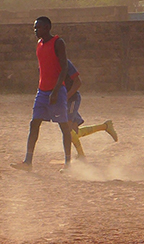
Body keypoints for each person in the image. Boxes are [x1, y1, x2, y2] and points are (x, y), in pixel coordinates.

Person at [13, 16, 73, 170]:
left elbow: (64, 68)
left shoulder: (58, 43)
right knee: (34, 123)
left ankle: (68, 163)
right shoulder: (39, 44)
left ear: (47, 28)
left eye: (38, 27)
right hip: (42, 91)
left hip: (57, 92)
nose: (35, 30)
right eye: (35, 27)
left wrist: (56, 90)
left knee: (64, 127)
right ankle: (28, 162)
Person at [61, 59, 118, 160]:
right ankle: (105, 126)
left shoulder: (65, 63)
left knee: (68, 129)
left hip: (72, 99)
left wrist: (67, 96)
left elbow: (78, 82)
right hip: (64, 101)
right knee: (73, 132)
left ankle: (81, 155)